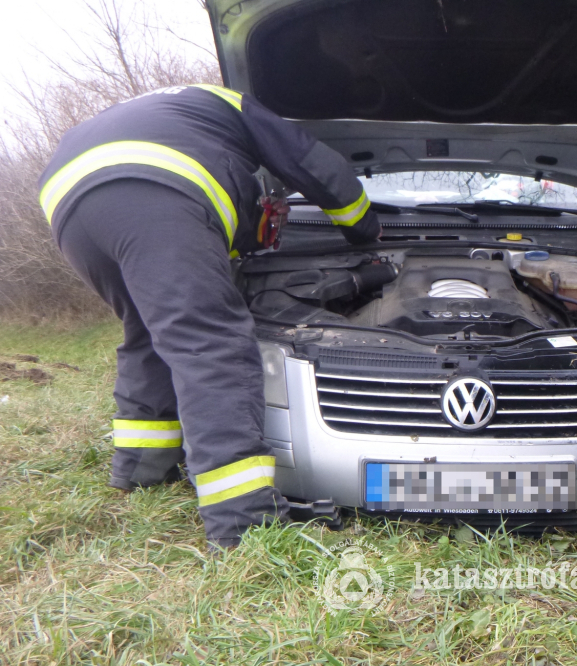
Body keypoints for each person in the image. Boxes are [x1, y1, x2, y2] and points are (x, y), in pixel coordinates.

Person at [39, 83, 380, 550]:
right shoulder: (233, 104)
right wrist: (364, 229)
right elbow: (312, 163)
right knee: (209, 344)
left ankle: (141, 468)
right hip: (154, 188)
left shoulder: (182, 109)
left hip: (67, 204)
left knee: (150, 330)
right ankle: (243, 522)